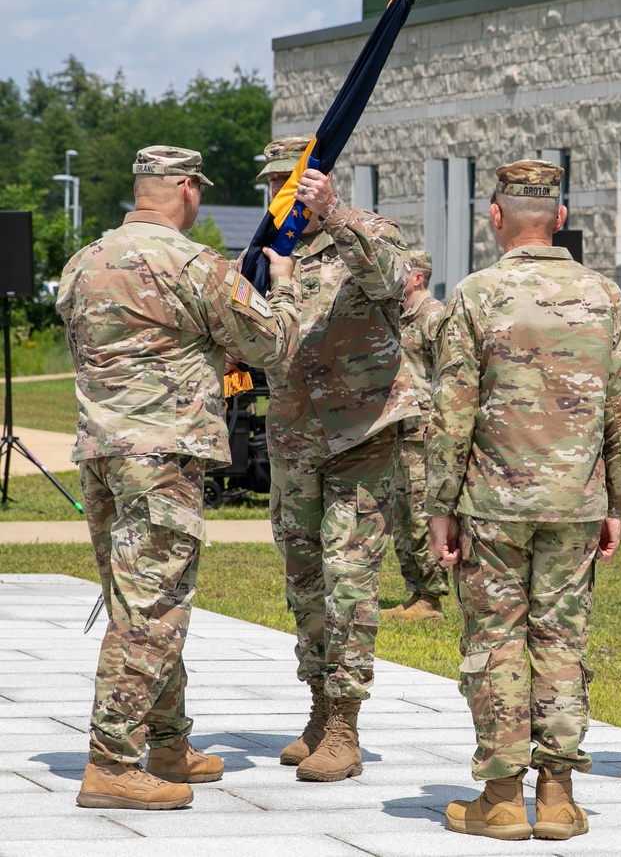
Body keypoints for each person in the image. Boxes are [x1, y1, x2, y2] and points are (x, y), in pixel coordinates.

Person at [57, 145, 298, 810]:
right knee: (153, 610)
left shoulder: (85, 261)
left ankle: (167, 742)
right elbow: (270, 342)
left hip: (103, 453)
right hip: (161, 458)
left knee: (135, 598)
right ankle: (111, 761)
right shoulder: (192, 264)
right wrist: (287, 283)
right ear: (189, 190)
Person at [428, 160, 621, 841]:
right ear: (558, 217)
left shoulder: (475, 295)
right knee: (561, 639)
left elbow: (451, 410)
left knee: (496, 640)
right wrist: (619, 500)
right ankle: (556, 797)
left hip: (494, 502)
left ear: (496, 217)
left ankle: (500, 798)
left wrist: (440, 503)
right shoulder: (605, 296)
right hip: (576, 501)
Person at [254, 137, 419, 782]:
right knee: (305, 577)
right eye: (273, 185)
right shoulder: (270, 251)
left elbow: (392, 282)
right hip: (294, 433)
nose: (281, 196)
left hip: (361, 432)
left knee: (349, 577)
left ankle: (347, 723)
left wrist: (340, 215)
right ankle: (320, 706)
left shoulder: (368, 232)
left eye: (292, 184)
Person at [382, 249, 448, 620]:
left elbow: (451, 374)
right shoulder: (400, 316)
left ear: (417, 277)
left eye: (400, 273)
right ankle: (417, 591)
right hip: (400, 432)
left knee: (423, 515)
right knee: (404, 516)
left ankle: (431, 597)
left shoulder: (433, 317)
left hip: (423, 435)